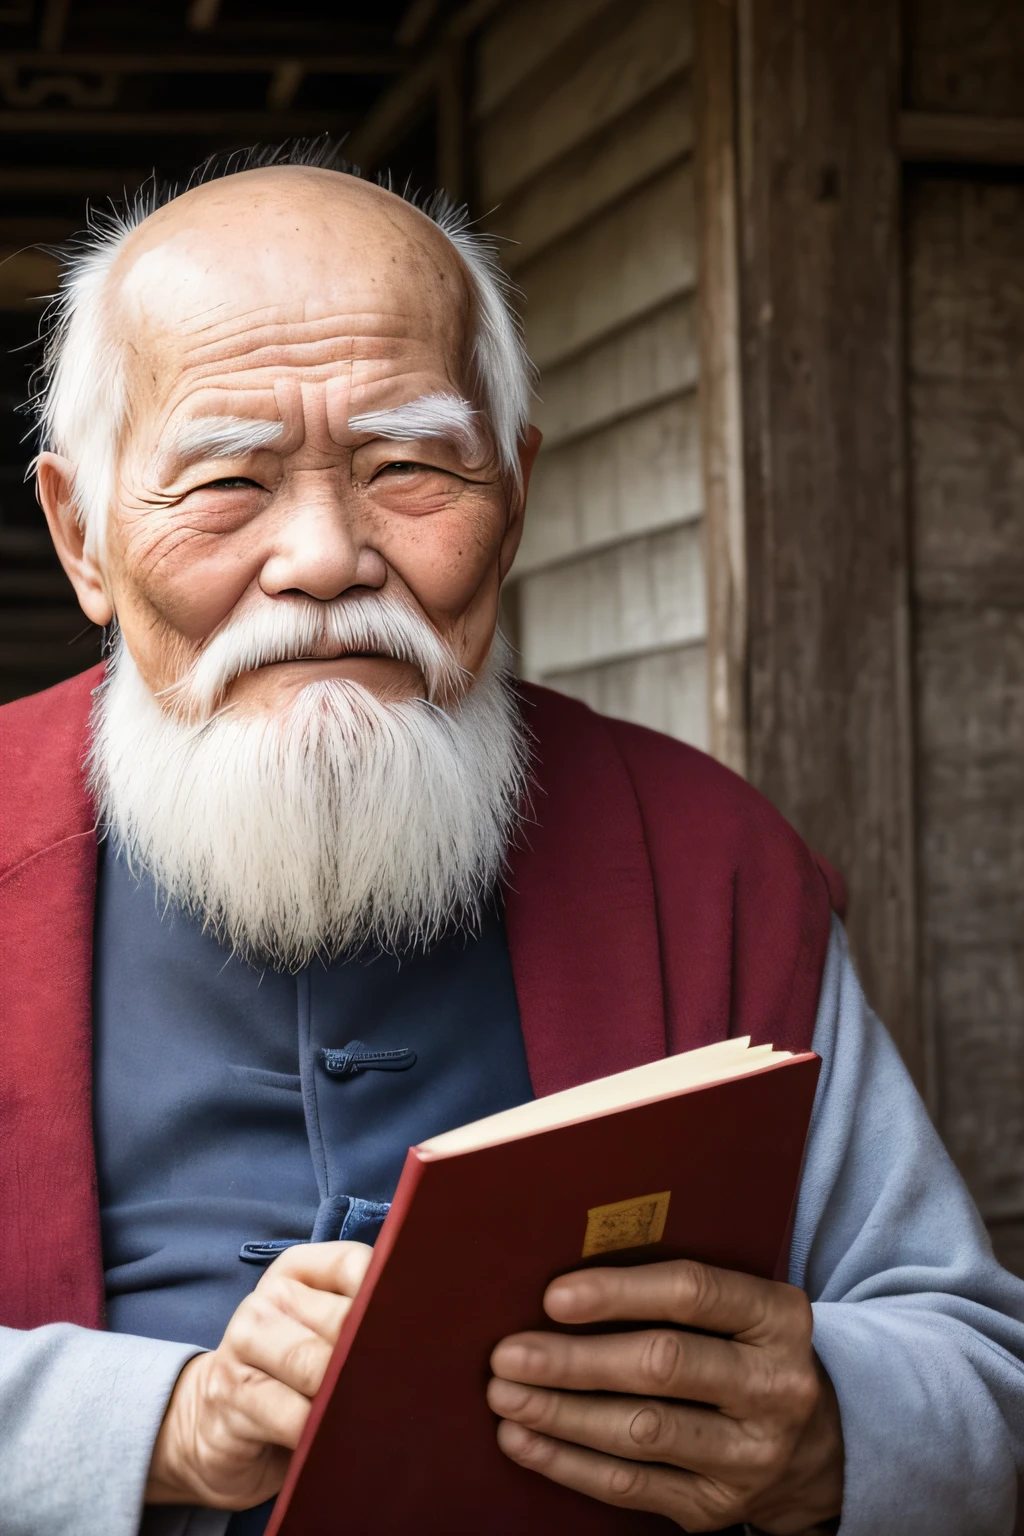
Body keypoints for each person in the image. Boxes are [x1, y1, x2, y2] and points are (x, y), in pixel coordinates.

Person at [1, 142, 1022, 1536]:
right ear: (84, 541)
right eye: (227, 483)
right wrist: (168, 1425)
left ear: (517, 494)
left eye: (411, 465)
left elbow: (977, 1372)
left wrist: (828, 1422)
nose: (323, 557)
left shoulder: (698, 856)